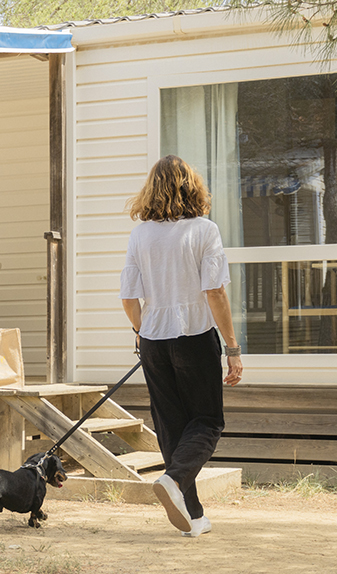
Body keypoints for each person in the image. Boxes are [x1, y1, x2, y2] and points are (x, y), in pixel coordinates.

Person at [119, 155, 242, 537]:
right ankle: (173, 481)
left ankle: (194, 518)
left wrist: (142, 330)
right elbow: (215, 292)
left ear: (151, 190)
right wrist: (232, 348)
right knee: (207, 421)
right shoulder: (204, 230)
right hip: (194, 337)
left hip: (154, 340)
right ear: (192, 187)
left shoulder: (140, 234)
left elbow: (127, 295)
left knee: (172, 427)